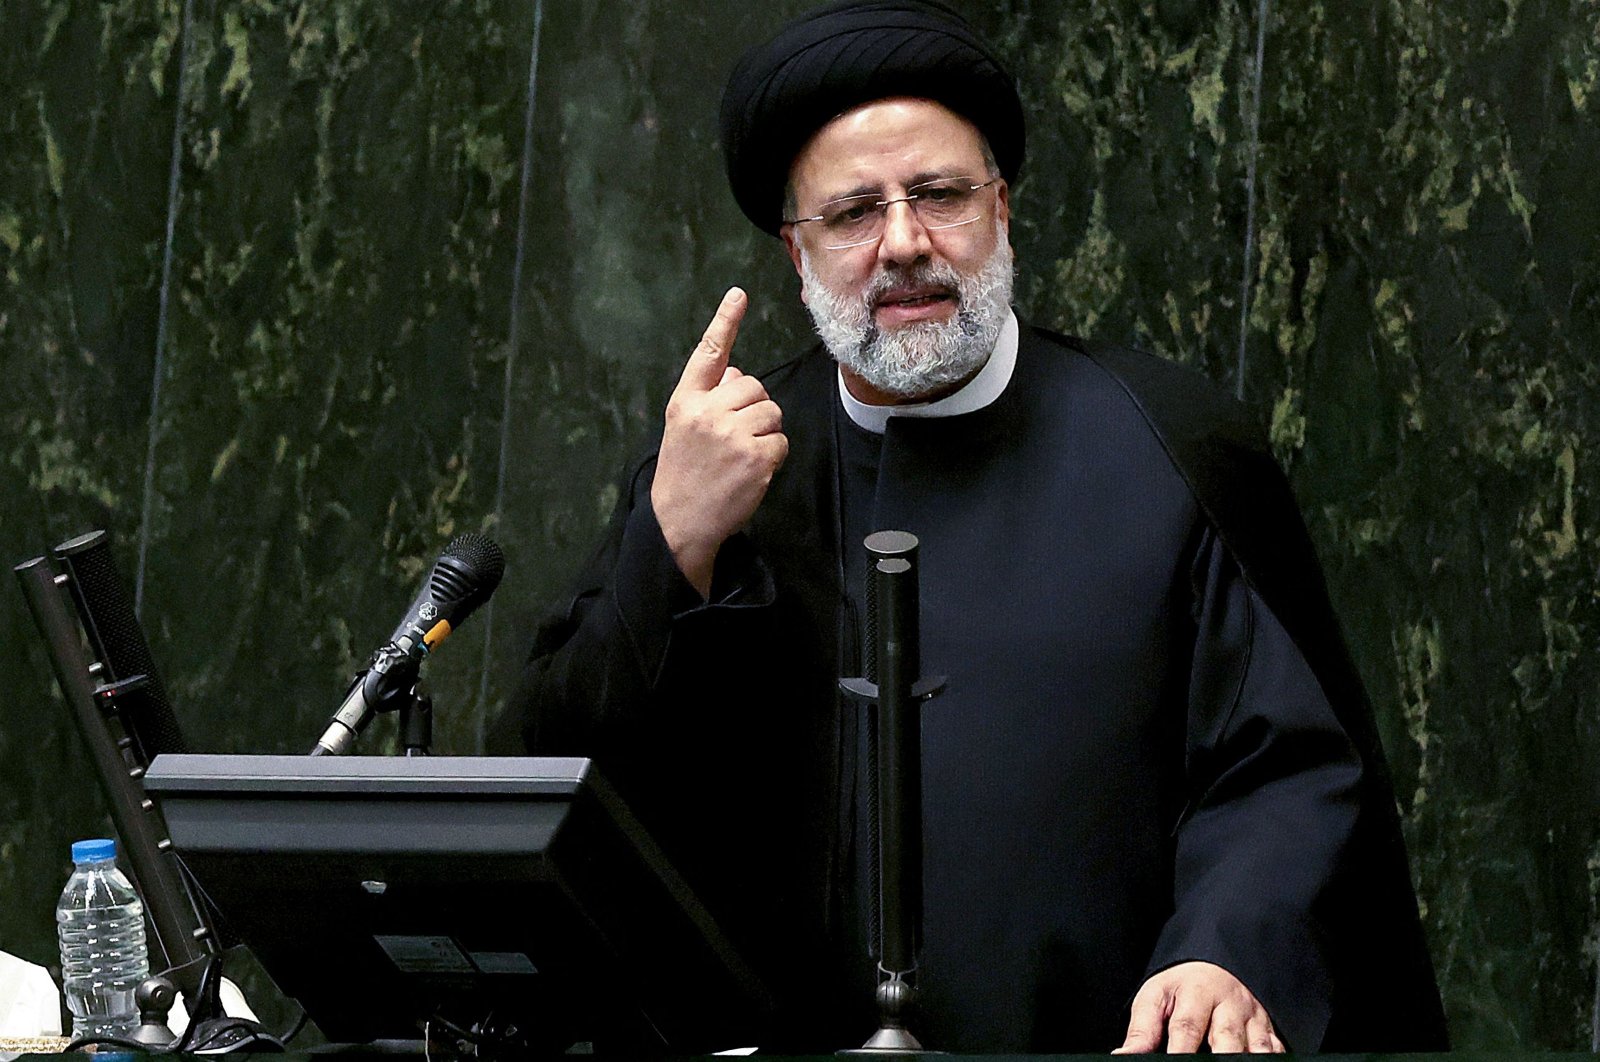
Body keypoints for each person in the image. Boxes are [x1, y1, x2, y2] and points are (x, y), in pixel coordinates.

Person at [495, 0, 1448, 1052]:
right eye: (852, 213)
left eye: (940, 195)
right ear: (793, 252)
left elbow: (1283, 768)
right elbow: (560, 778)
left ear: (1001, 208)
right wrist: (666, 542)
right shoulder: (720, 458)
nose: (903, 243)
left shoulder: (1166, 444)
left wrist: (1224, 946)